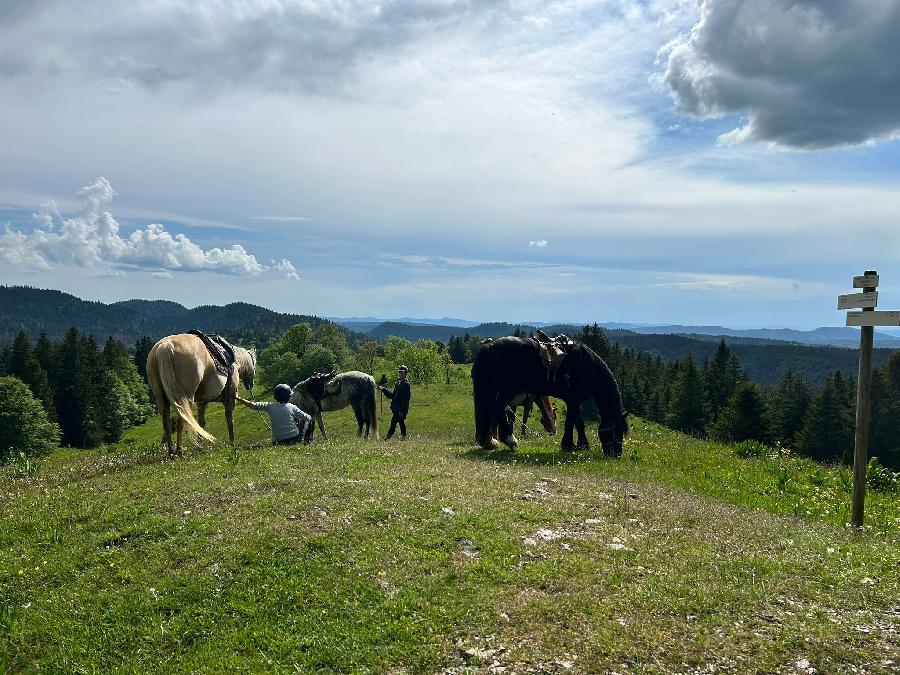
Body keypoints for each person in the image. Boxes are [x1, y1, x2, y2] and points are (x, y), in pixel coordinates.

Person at [235, 384, 313, 445]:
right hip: (293, 440)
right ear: (289, 396)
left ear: (275, 396)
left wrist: (237, 398)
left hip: (277, 442)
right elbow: (307, 418)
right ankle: (307, 441)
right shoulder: (292, 407)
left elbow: (252, 405)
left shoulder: (269, 406)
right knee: (309, 420)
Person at [380, 365, 411, 440]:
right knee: (400, 422)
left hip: (401, 409)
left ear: (405, 374)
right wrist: (384, 390)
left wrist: (402, 410)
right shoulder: (398, 384)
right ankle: (403, 436)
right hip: (396, 408)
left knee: (394, 423)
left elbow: (406, 399)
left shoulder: (406, 385)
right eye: (399, 372)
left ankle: (388, 438)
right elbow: (392, 396)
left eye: (402, 373)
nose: (400, 374)